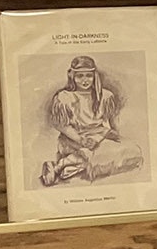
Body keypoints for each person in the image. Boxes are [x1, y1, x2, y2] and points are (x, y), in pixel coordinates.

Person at [41, 55, 127, 185]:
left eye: (89, 75)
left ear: (94, 76)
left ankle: (69, 169)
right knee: (93, 153)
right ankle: (58, 166)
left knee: (125, 150)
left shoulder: (105, 95)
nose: (85, 80)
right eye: (80, 76)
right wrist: (81, 140)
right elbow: (62, 125)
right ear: (72, 77)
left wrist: (108, 135)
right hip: (73, 138)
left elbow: (107, 121)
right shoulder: (65, 97)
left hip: (98, 136)